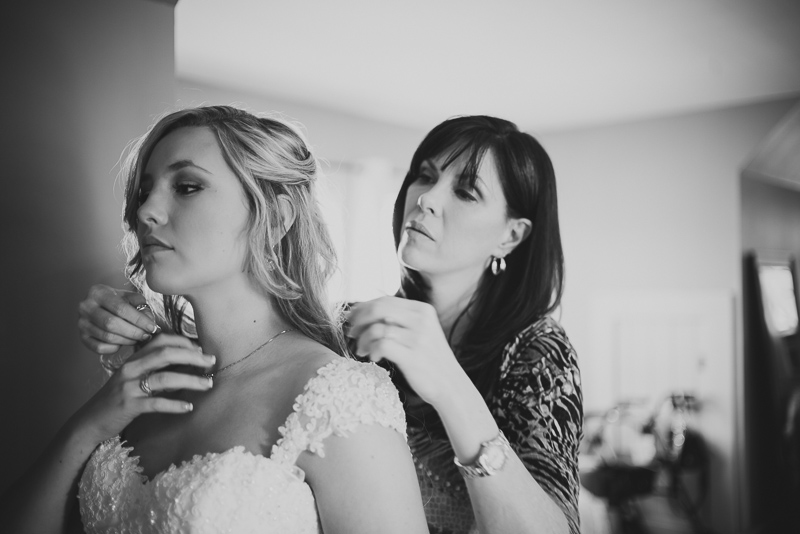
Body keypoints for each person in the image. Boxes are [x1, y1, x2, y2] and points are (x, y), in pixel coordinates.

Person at [76, 115, 583, 534]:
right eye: (425, 175)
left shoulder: (537, 351)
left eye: (466, 191)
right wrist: (135, 321)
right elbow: (254, 357)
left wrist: (450, 386)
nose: (425, 198)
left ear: (511, 237)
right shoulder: (350, 330)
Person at [1, 106, 428, 534]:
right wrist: (88, 426)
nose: (146, 210)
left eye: (187, 186)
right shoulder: (140, 381)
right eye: (145, 190)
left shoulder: (337, 397)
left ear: (275, 218)